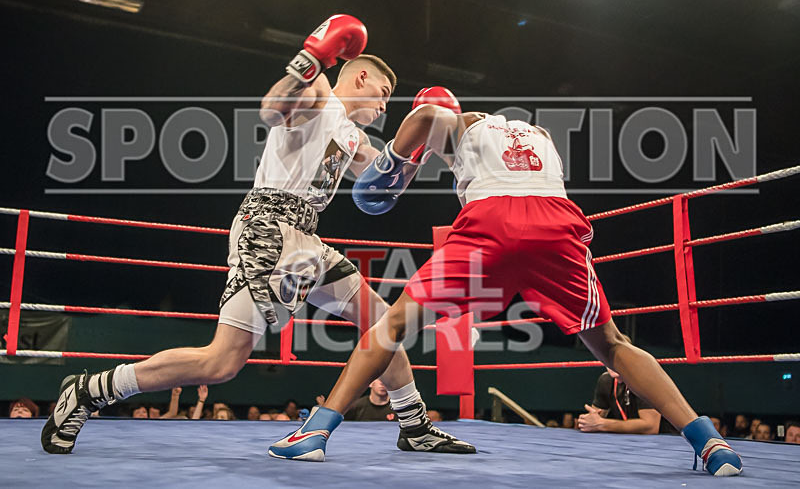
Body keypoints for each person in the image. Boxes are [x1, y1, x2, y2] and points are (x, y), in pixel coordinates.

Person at [41, 14, 473, 458]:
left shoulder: (354, 138)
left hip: (308, 240)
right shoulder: (321, 95)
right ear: (360, 75)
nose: (385, 106)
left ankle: (415, 425)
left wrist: (424, 141)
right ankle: (91, 390)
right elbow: (271, 108)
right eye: (383, 94)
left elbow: (384, 188)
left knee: (384, 323)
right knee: (221, 363)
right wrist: (311, 59)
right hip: (267, 229)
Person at [268, 87, 743, 476]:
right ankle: (708, 442)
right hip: (557, 225)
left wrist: (395, 160)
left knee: (391, 327)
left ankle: (316, 431)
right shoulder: (537, 132)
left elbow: (431, 114)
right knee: (614, 345)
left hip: (491, 221)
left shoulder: (462, 121)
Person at [579, 367, 662, 435]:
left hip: (662, 444)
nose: (611, 363)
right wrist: (587, 421)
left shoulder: (644, 379)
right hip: (625, 441)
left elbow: (651, 426)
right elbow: (595, 419)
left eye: (616, 359)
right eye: (606, 358)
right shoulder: (606, 380)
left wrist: (603, 424)